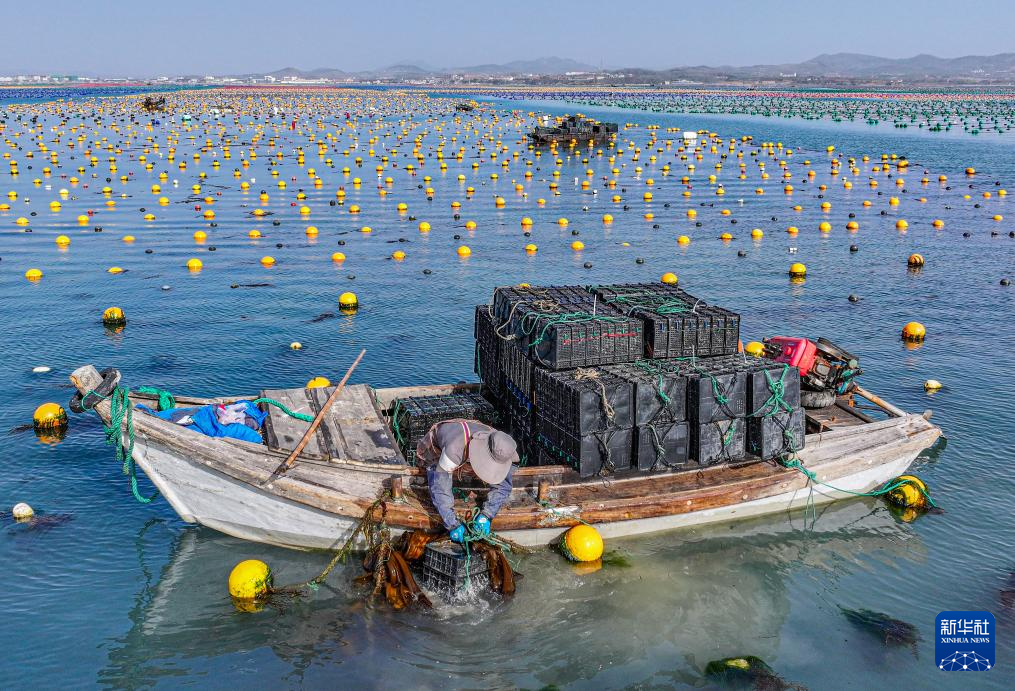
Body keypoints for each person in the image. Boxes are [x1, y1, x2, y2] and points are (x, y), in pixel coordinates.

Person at [415, 419, 518, 543]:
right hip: (436, 449)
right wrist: (452, 524)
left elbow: (504, 486)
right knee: (433, 474)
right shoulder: (454, 449)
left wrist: (487, 515)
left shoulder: (502, 448)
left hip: (465, 447)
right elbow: (440, 489)